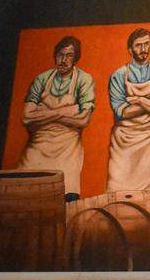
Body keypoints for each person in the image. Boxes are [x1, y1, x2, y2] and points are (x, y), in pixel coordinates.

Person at [15, 35, 94, 199]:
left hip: (68, 148)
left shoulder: (84, 80)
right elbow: (26, 118)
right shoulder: (42, 79)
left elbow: (83, 120)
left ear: (75, 58)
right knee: (25, 196)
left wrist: (44, 112)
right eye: (60, 55)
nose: (63, 60)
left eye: (69, 55)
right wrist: (65, 111)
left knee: (65, 198)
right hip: (38, 145)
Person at [106, 28, 150, 193]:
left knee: (149, 195)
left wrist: (141, 100)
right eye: (138, 45)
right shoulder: (118, 76)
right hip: (123, 142)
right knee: (118, 191)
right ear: (130, 50)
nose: (143, 49)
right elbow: (121, 112)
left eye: (146, 44)